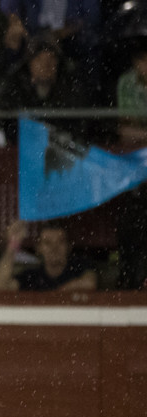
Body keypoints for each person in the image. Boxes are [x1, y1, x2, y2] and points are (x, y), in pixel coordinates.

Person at [115, 41, 147, 290]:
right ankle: (130, 276)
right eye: (142, 59)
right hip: (135, 164)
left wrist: (140, 131)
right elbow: (126, 131)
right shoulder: (126, 82)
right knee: (130, 217)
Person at [0, 220, 97, 292]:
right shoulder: (32, 277)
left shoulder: (79, 267)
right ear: (38, 248)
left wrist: (54, 296)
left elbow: (89, 283)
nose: (54, 248)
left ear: (69, 247)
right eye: (47, 243)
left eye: (60, 242)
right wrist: (13, 244)